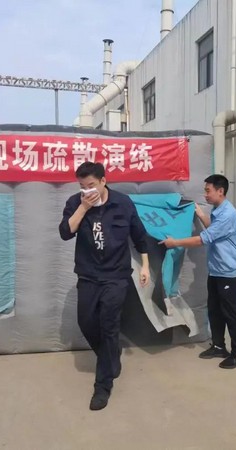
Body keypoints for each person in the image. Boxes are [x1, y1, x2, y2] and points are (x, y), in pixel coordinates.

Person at [59, 161, 150, 410]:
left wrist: (145, 265)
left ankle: (103, 386)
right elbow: (65, 232)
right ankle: (110, 357)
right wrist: (83, 207)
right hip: (88, 275)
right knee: (86, 322)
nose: (87, 190)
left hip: (116, 276)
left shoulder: (123, 203)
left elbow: (139, 235)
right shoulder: (75, 203)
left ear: (103, 181)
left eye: (91, 185)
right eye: (82, 186)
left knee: (109, 325)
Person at [160, 174, 236, 369]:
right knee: (215, 311)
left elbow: (203, 239)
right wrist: (200, 214)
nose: (205, 195)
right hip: (216, 271)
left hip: (229, 274)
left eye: (208, 191)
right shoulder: (218, 210)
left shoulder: (228, 214)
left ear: (220, 191)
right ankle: (218, 346)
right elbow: (214, 230)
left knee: (232, 314)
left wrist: (175, 242)